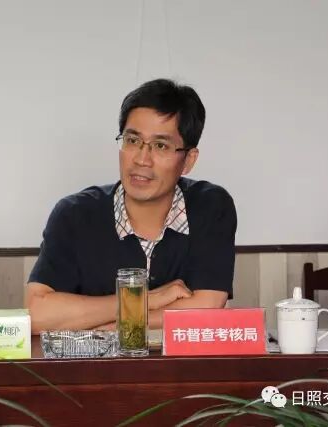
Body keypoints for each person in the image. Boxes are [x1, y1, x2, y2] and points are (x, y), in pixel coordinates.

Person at [25, 78, 237, 333]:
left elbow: (207, 306)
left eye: (160, 145)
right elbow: (37, 314)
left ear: (188, 160)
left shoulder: (210, 206)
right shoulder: (74, 214)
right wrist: (145, 299)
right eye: (133, 141)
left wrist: (110, 324)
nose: (141, 159)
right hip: (97, 362)